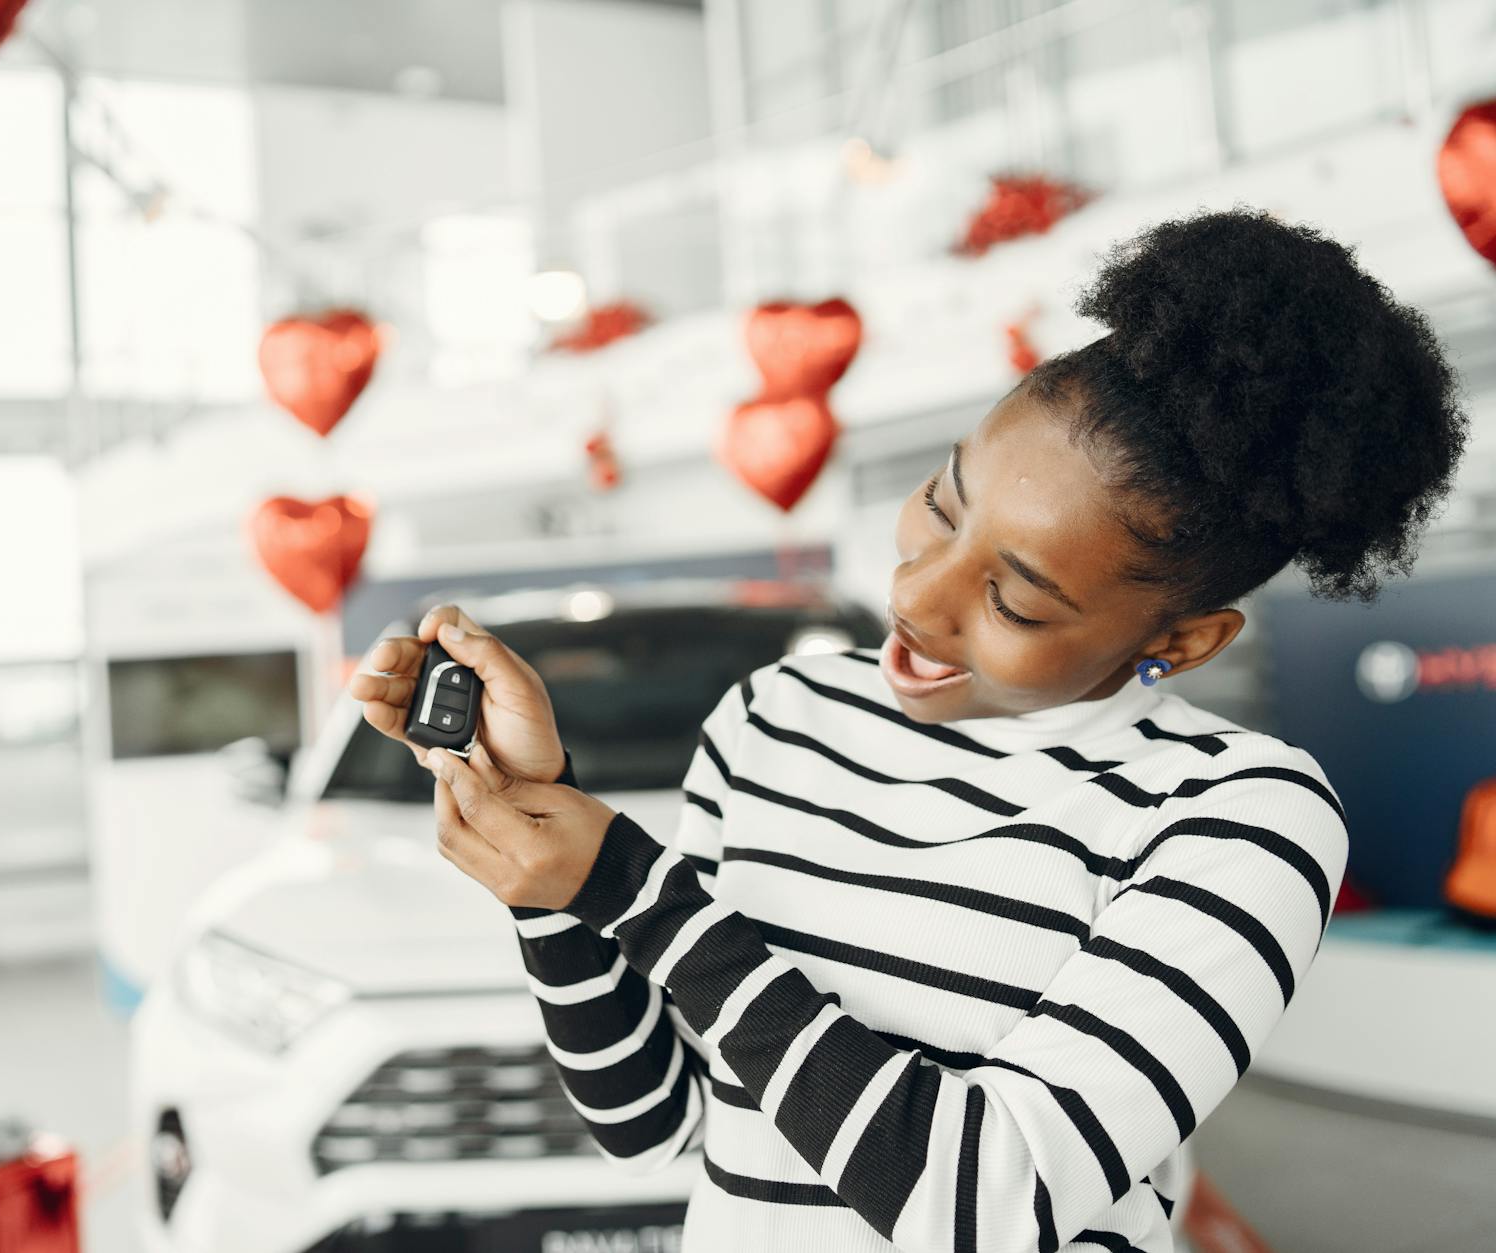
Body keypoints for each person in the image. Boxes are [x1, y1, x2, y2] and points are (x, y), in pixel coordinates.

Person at [349, 205, 1468, 1252]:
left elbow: (985, 1200)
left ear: (1181, 642)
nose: (918, 598)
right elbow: (652, 1122)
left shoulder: (1236, 814)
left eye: (1016, 598)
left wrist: (629, 887)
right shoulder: (775, 717)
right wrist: (549, 875)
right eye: (941, 503)